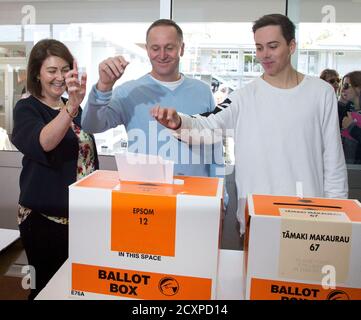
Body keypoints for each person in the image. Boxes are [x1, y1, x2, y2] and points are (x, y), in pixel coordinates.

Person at [151, 13, 348, 235]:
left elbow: (333, 159)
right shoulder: (243, 97)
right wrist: (179, 122)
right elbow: (207, 127)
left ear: (291, 46)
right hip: (257, 219)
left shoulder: (320, 93)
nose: (265, 55)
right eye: (259, 47)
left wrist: (338, 214)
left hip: (309, 220)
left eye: (272, 46)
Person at [81, 19, 228, 203]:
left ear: (181, 48)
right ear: (148, 50)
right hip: (145, 200)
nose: (162, 55)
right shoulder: (128, 91)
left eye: (170, 47)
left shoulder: (203, 91)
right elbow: (91, 125)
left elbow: (214, 147)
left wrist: (222, 195)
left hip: (196, 199)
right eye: (155, 48)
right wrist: (103, 87)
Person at [11, 39, 99, 299]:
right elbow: (44, 142)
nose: (59, 77)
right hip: (44, 220)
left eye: (64, 69)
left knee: (75, 288)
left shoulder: (73, 106)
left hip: (80, 217)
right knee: (46, 288)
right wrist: (71, 107)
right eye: (52, 71)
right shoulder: (27, 107)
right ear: (37, 74)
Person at [340, 71, 361, 163]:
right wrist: (341, 104)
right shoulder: (348, 109)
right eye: (342, 86)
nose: (342, 89)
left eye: (346, 86)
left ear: (358, 88)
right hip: (346, 167)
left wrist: (351, 127)